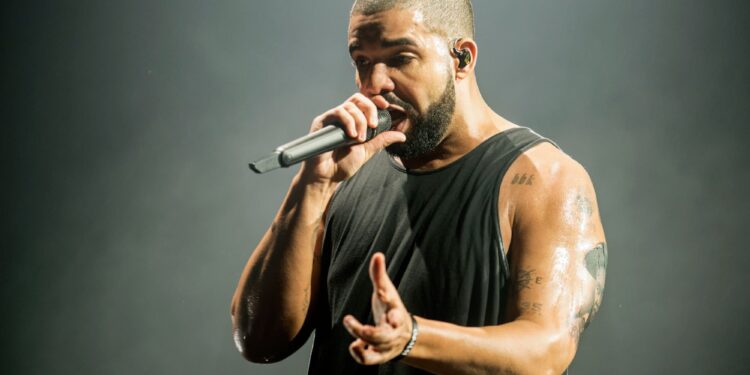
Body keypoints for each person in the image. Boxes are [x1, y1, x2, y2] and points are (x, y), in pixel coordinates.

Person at [231, 0, 607, 374]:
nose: (375, 83)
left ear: (462, 58)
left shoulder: (543, 179)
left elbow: (548, 351)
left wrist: (411, 337)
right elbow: (258, 340)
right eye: (362, 60)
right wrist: (312, 186)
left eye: (400, 58)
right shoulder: (344, 170)